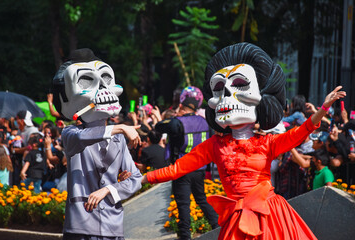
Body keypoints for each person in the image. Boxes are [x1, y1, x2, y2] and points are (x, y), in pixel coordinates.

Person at [142, 43, 346, 240]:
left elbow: (301, 132)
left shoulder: (268, 143)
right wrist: (141, 179)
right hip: (237, 220)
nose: (228, 95)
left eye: (239, 84)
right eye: (220, 88)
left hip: (270, 217)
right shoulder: (215, 145)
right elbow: (177, 169)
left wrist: (323, 109)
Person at [51, 48, 142, 240]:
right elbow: (86, 137)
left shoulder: (118, 141)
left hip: (112, 223)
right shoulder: (71, 133)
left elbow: (135, 179)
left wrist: (109, 189)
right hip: (81, 224)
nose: (102, 88)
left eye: (106, 79)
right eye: (86, 80)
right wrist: (122, 128)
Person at [154, 86, 219, 240]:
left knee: (183, 204)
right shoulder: (205, 123)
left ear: (182, 105)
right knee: (201, 199)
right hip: (200, 168)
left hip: (182, 169)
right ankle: (217, 226)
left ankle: (185, 236)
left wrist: (171, 115)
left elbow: (158, 127)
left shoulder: (177, 122)